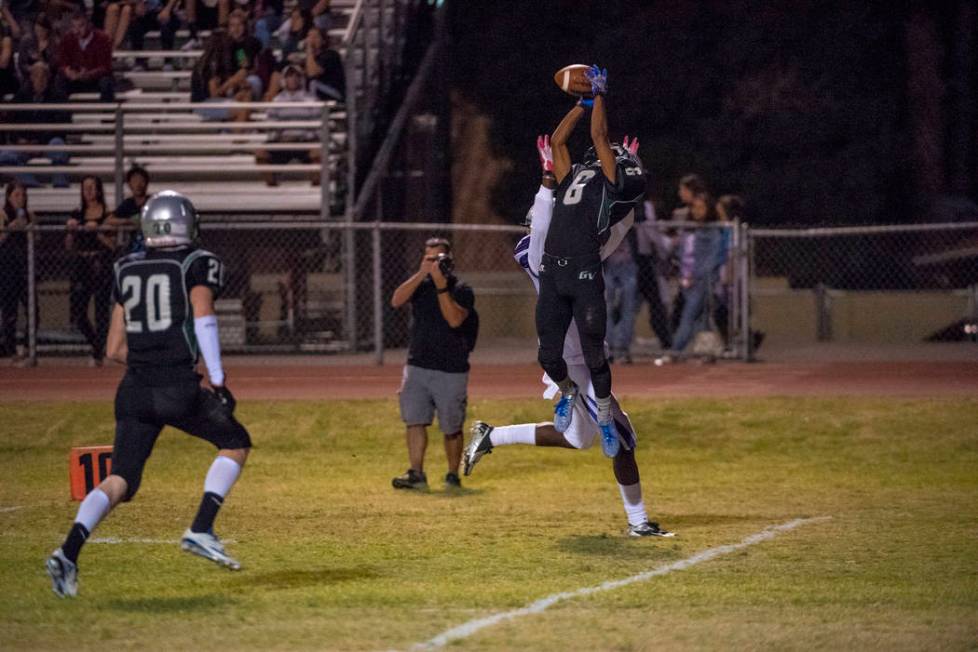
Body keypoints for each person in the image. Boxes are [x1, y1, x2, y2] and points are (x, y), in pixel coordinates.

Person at [463, 135, 673, 539]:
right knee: (624, 437)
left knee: (577, 438)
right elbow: (549, 224)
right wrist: (549, 182)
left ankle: (492, 435)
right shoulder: (540, 255)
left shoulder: (569, 247)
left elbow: (615, 228)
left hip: (580, 355)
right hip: (572, 361)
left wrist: (624, 172)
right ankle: (639, 522)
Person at [45, 191, 252, 598]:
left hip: (134, 388)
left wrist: (151, 363)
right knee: (234, 442)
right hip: (176, 386)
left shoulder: (125, 268)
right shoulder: (196, 262)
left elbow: (113, 349)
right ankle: (202, 526)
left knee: (121, 478)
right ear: (184, 224)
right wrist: (218, 377)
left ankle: (68, 552)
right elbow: (204, 315)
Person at [534, 65, 645, 458]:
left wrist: (599, 95)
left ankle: (601, 412)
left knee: (596, 356)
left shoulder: (611, 189)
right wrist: (581, 103)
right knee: (547, 356)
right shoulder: (577, 176)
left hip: (583, 273)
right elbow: (561, 141)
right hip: (554, 271)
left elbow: (599, 136)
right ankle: (567, 392)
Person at [389, 237, 478, 491]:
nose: (434, 264)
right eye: (429, 258)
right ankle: (416, 473)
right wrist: (421, 273)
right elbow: (396, 300)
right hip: (418, 364)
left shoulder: (461, 289)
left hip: (451, 369)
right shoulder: (420, 285)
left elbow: (454, 320)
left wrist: (441, 286)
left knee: (452, 426)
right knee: (414, 420)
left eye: (439, 259)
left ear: (449, 260)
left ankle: (452, 474)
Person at [65, 175, 115, 365]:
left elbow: (112, 245)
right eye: (85, 187)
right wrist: (71, 230)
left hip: (100, 262)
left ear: (99, 190)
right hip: (82, 264)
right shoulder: (77, 213)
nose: (89, 191)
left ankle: (99, 354)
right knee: (78, 311)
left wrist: (98, 230)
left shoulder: (108, 213)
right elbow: (69, 246)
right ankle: (97, 344)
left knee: (101, 310)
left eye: (93, 187)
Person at [668, 193, 724, 357]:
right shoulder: (690, 230)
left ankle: (675, 351)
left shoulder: (712, 232)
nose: (697, 212)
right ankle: (707, 352)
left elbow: (713, 259)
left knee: (689, 316)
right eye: (695, 208)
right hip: (687, 281)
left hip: (701, 282)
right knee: (701, 319)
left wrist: (698, 275)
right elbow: (681, 254)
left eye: (701, 208)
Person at [0, 62, 71, 187]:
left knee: (58, 146)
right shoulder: (21, 95)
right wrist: (19, 140)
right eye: (36, 76)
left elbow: (61, 125)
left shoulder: (58, 96)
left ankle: (60, 187)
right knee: (4, 155)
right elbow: (10, 121)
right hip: (24, 144)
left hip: (47, 142)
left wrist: (40, 143)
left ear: (48, 78)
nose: (40, 80)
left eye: (43, 76)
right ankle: (32, 185)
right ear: (31, 78)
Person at [254, 64, 321, 186]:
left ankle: (317, 188)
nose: (293, 79)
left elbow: (317, 126)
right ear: (284, 80)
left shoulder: (311, 99)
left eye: (296, 76)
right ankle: (272, 185)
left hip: (305, 140)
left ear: (301, 79)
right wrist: (279, 137)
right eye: (290, 76)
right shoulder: (277, 100)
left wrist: (303, 136)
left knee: (317, 152)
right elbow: (271, 125)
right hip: (283, 141)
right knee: (260, 153)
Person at [0, 181, 34, 364]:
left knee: (32, 309)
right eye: (16, 195)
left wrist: (31, 230)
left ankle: (30, 347)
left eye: (23, 195)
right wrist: (9, 229)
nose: (20, 199)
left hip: (25, 268)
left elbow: (38, 238)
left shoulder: (29, 215)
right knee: (10, 310)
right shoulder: (3, 214)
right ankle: (11, 349)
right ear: (9, 197)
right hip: (7, 268)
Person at [633, 196, 673, 350]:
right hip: (633, 259)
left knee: (654, 302)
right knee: (627, 305)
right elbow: (652, 233)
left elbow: (651, 232)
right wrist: (664, 249)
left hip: (643, 260)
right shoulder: (627, 202)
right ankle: (617, 343)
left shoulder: (645, 205)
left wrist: (662, 251)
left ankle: (666, 342)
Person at [55, 10, 115, 102]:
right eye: (74, 27)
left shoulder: (102, 39)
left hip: (95, 80)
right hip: (75, 79)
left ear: (89, 25)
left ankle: (107, 114)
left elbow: (106, 67)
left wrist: (88, 75)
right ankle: (63, 114)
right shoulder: (67, 38)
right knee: (59, 79)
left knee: (106, 82)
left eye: (81, 26)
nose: (77, 30)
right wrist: (67, 71)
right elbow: (62, 62)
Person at [603, 226, 638, 364]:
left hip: (628, 267)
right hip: (609, 267)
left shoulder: (630, 223)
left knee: (628, 310)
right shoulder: (604, 222)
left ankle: (623, 348)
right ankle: (609, 348)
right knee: (607, 309)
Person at [108, 165, 151, 250]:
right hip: (134, 245)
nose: (138, 184)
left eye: (141, 180)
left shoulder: (153, 201)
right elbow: (110, 220)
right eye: (134, 181)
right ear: (129, 184)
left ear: (146, 183)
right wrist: (129, 221)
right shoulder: (128, 203)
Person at [304, 26, 343, 102]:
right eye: (309, 36)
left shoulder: (330, 55)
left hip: (334, 93)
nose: (311, 40)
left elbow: (312, 73)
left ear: (323, 40)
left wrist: (309, 49)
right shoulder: (312, 58)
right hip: (318, 93)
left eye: (315, 37)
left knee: (313, 83)